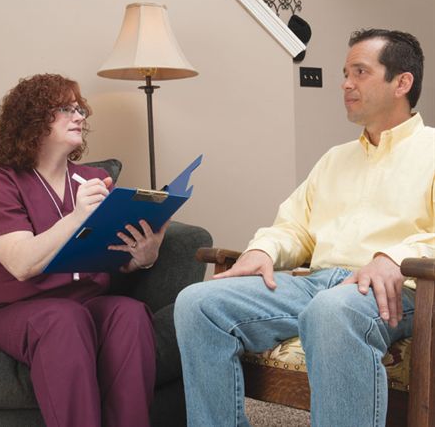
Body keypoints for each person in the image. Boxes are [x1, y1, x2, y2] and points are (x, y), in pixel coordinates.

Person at [174, 29, 435, 427]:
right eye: (344, 73)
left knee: (332, 311)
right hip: (316, 283)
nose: (346, 84)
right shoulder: (335, 158)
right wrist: (263, 251)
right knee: (197, 302)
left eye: (360, 72)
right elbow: (295, 227)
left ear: (402, 82)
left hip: (398, 292)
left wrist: (394, 259)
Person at [0, 74, 169, 427]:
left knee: (129, 314)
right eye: (67, 109)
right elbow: (21, 263)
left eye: (80, 108)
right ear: (34, 119)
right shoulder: (1, 182)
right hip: (16, 309)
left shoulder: (93, 178)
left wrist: (143, 257)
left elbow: (110, 251)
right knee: (63, 319)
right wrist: (76, 216)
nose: (81, 116)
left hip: (83, 301)